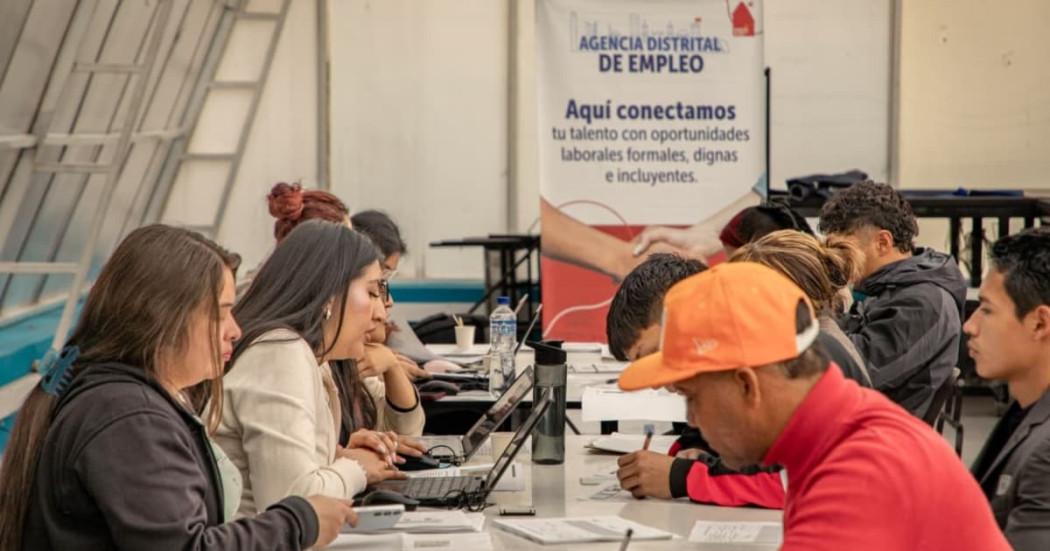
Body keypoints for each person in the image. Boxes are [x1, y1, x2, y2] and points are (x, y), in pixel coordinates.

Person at [0, 225, 355, 550]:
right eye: (221, 312)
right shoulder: (128, 418)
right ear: (164, 315)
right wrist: (299, 521)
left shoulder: (126, 402)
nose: (235, 330)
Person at [617, 262, 1010, 550]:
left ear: (746, 384)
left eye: (692, 398)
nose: (692, 419)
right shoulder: (840, 433)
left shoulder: (856, 473)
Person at [612, 235, 873, 507]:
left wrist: (685, 477)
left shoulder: (813, 359)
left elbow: (794, 480)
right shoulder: (793, 353)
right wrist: (699, 451)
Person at [213, 220, 415, 518]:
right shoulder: (280, 353)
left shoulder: (307, 356)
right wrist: (356, 467)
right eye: (373, 293)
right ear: (329, 295)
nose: (380, 312)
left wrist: (335, 454)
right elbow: (292, 501)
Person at [265, 186, 425, 442]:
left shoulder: (330, 341)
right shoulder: (285, 352)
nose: (386, 305)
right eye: (373, 289)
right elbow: (297, 478)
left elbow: (405, 432)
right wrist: (351, 464)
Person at [819, 181, 966, 417]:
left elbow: (855, 370)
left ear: (882, 242)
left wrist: (816, 310)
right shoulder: (886, 288)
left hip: (877, 429)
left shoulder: (924, 303)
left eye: (843, 248)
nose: (837, 259)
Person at [966, 227, 1050, 550]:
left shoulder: (1044, 455)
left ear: (1039, 323)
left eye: (986, 310)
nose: (970, 326)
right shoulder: (1026, 410)